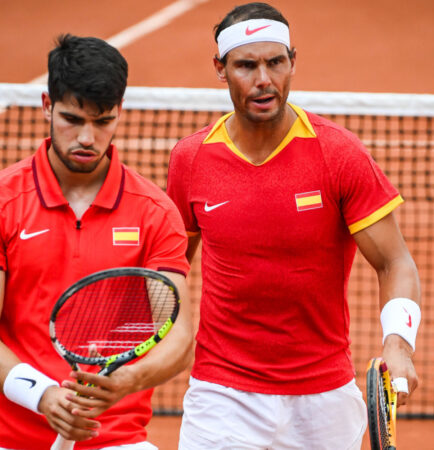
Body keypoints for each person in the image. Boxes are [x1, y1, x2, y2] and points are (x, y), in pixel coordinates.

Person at [166, 3, 421, 449]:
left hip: (324, 397)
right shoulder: (191, 159)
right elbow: (168, 267)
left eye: (275, 62)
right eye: (246, 65)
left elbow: (394, 260)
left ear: (293, 62)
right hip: (222, 394)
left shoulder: (338, 155)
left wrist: (398, 341)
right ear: (220, 69)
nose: (263, 79)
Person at [0, 34, 193, 450]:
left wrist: (123, 381)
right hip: (6, 439)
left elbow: (179, 338)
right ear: (47, 105)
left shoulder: (155, 211)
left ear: (119, 113)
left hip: (118, 439)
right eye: (72, 119)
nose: (87, 138)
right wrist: (41, 395)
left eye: (103, 121)